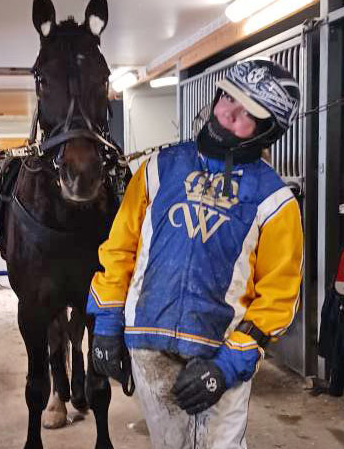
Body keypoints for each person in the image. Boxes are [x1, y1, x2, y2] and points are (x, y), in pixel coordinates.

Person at [87, 59, 304, 449]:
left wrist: (228, 366)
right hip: (149, 345)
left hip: (220, 352)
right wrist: (106, 323)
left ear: (267, 130)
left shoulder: (274, 201)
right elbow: (120, 248)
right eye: (228, 99)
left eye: (246, 115)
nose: (227, 113)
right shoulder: (157, 170)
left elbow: (278, 296)